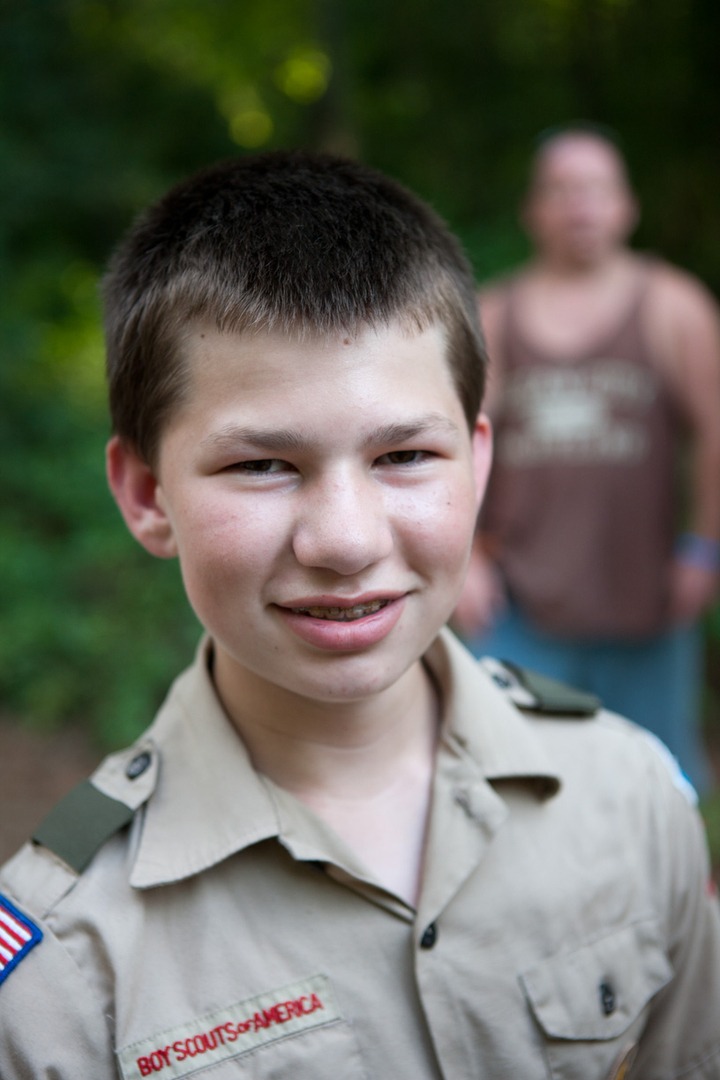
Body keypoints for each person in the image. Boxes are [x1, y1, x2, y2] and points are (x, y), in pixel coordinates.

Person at [1, 151, 719, 1078]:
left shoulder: (630, 798)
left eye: (406, 455)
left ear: (478, 461)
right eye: (261, 464)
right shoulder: (62, 955)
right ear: (146, 493)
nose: (343, 540)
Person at [453, 126, 720, 794]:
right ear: (533, 211)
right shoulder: (496, 315)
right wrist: (463, 559)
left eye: (596, 190)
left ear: (626, 207)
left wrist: (704, 548)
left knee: (660, 786)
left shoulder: (672, 305)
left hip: (648, 599)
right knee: (508, 783)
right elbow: (452, 440)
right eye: (562, 191)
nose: (580, 208)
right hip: (521, 600)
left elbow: (716, 429)